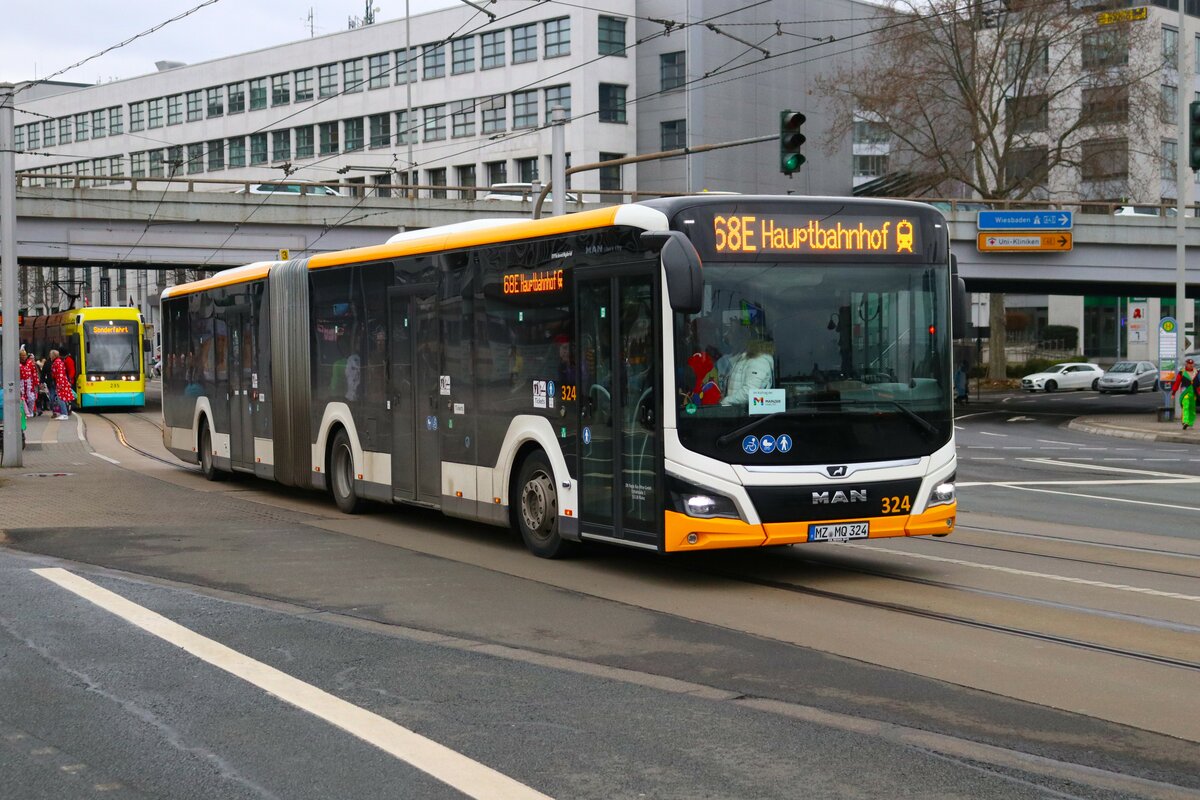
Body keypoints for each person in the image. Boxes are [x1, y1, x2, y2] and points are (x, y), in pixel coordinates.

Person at [721, 339, 775, 407]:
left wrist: (726, 401)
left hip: (749, 415)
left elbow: (749, 392)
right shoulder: (744, 358)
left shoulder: (758, 361)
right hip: (737, 412)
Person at [1171, 357, 1199, 430]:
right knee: (1186, 406)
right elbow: (1177, 383)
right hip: (1185, 393)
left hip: (1194, 393)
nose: (1191, 365)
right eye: (1189, 364)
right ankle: (1185, 422)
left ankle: (1190, 423)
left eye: (1192, 364)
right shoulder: (1182, 373)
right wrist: (1173, 393)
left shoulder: (1197, 372)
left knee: (1192, 408)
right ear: (1186, 364)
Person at [49, 349, 75, 420]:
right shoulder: (58, 362)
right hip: (60, 382)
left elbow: (60, 373)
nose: (50, 356)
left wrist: (59, 384)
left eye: (51, 355)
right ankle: (63, 413)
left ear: (54, 355)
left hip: (61, 382)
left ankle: (64, 413)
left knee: (61, 398)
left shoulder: (57, 362)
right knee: (61, 398)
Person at [19, 349, 39, 417]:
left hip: (29, 383)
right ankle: (25, 413)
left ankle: (30, 412)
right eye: (22, 355)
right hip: (21, 383)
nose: (23, 357)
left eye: (24, 355)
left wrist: (36, 382)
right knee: (22, 398)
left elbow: (34, 373)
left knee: (31, 398)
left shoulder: (30, 363)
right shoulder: (18, 364)